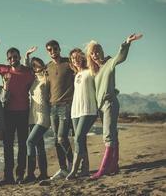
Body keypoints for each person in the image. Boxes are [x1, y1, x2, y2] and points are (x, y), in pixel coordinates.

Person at [86, 34, 143, 179]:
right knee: (113, 135)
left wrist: (126, 43)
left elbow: (121, 57)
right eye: (92, 53)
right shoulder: (95, 71)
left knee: (108, 136)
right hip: (101, 107)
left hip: (110, 104)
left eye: (96, 51)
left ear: (102, 51)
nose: (94, 55)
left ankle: (104, 168)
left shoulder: (110, 62)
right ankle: (114, 165)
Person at [0, 39, 35, 184]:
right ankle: (8, 176)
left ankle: (20, 175)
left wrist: (28, 58)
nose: (13, 59)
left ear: (19, 57)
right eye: (10, 57)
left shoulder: (27, 72)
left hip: (24, 112)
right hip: (8, 114)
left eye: (15, 56)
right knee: (8, 146)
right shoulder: (4, 70)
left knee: (23, 145)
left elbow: (36, 78)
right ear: (8, 59)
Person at [66, 48, 98, 180]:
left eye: (77, 57)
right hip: (75, 111)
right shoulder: (76, 75)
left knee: (78, 137)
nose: (75, 60)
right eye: (73, 58)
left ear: (83, 57)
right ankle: (85, 169)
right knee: (81, 140)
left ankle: (74, 170)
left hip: (88, 110)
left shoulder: (91, 71)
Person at [45, 40, 74, 180]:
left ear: (59, 49)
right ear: (47, 51)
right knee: (56, 139)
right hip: (52, 107)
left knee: (62, 137)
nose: (52, 51)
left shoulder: (69, 62)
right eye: (49, 49)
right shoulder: (48, 67)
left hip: (65, 105)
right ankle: (63, 169)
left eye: (55, 48)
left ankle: (73, 165)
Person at [22, 46, 50, 183]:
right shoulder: (33, 80)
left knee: (30, 142)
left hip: (43, 116)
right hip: (32, 117)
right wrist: (26, 55)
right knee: (39, 145)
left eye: (38, 64)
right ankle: (44, 173)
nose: (36, 66)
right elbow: (26, 68)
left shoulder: (46, 78)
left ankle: (31, 174)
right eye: (34, 65)